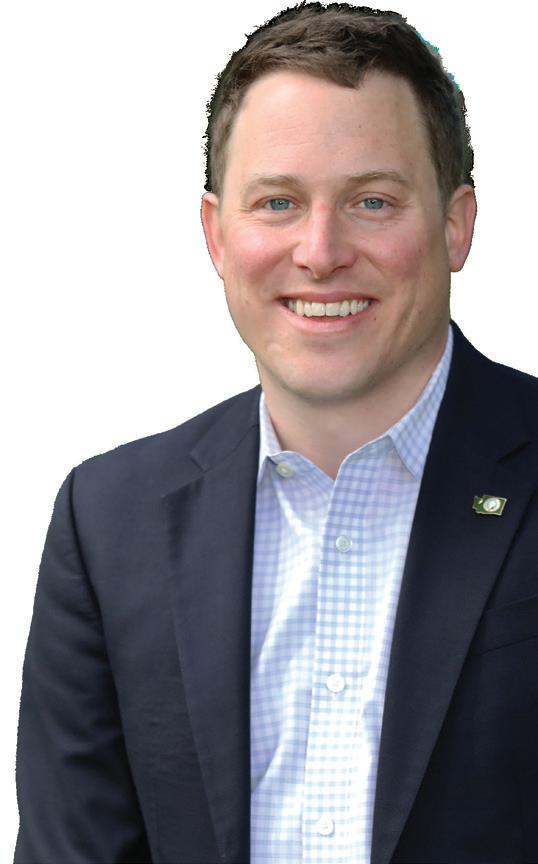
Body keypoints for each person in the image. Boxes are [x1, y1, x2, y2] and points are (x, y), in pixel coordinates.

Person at [13, 3, 538, 863]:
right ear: (217, 234)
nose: (321, 251)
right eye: (278, 202)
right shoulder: (108, 524)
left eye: (373, 200)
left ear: (456, 225)